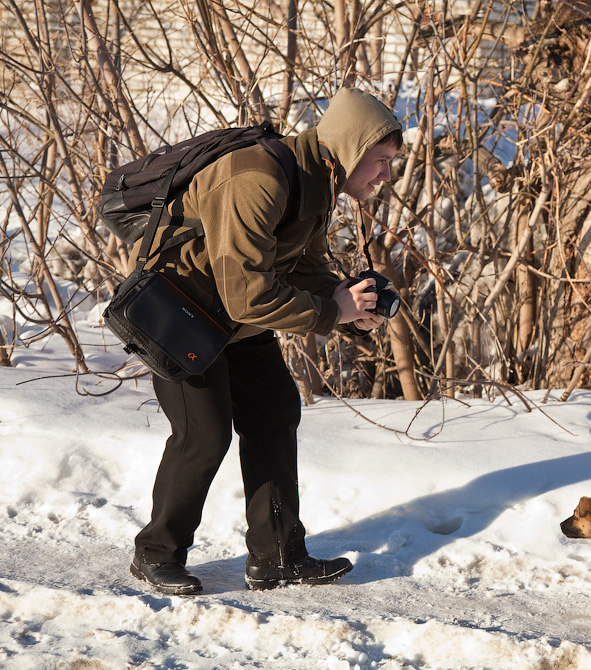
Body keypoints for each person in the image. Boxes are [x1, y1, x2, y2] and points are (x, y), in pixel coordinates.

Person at [128, 88, 403, 595]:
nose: (386, 174)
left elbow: (302, 264)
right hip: (182, 313)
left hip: (233, 317)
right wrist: (328, 312)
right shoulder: (258, 178)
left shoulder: (316, 181)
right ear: (348, 147)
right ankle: (156, 554)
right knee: (203, 434)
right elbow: (246, 294)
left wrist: (348, 305)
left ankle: (277, 557)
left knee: (275, 412)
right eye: (380, 160)